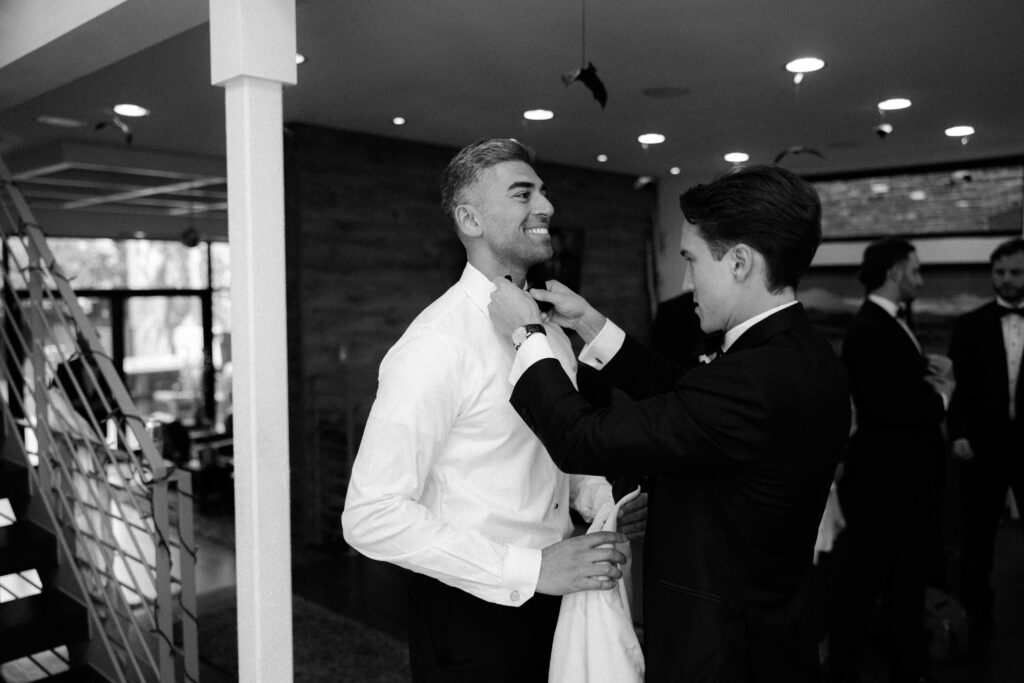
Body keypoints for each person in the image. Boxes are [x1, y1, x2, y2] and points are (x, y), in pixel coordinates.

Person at [488, 163, 851, 682]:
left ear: (741, 262)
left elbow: (580, 439)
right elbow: (685, 397)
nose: (685, 282)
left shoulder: (752, 378)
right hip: (772, 630)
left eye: (691, 260)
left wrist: (526, 338)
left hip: (723, 651)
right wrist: (589, 323)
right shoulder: (804, 354)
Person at [341, 138, 645, 683]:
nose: (546, 207)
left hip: (557, 595)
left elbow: (549, 451)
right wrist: (532, 569)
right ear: (470, 219)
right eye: (523, 193)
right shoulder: (435, 343)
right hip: (471, 613)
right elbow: (371, 515)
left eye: (543, 192)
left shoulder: (548, 330)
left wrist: (600, 499)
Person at [828, 237, 954, 683]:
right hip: (886, 480)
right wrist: (943, 395)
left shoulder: (887, 323)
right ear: (897, 271)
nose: (919, 279)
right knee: (867, 581)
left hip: (897, 477)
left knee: (900, 578)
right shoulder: (870, 327)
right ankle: (846, 667)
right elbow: (890, 409)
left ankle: (906, 664)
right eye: (916, 270)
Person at [948, 237, 1024, 639]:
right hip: (984, 446)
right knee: (978, 538)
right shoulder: (972, 324)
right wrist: (958, 433)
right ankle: (976, 618)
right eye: (999, 272)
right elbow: (961, 387)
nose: (1006, 280)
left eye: (1015, 272)